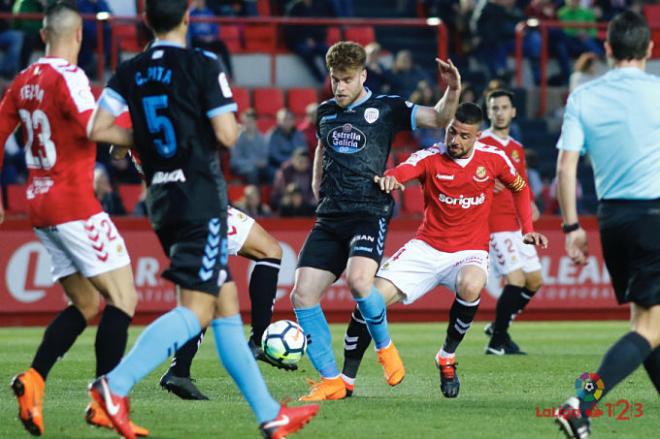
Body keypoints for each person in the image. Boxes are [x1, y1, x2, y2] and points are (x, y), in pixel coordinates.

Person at [85, 1, 319, 438]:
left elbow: (99, 129)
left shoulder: (130, 70)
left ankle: (271, 415)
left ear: (146, 21)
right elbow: (228, 133)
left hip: (162, 201)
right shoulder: (202, 64)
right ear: (188, 19)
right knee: (196, 311)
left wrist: (149, 143)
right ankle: (112, 387)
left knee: (224, 309)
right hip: (199, 197)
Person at [0, 3, 146, 437]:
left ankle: (34, 380)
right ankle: (106, 402)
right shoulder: (71, 77)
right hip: (74, 204)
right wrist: (145, 138)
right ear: (78, 37)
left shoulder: (23, 81)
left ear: (43, 34)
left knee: (86, 305)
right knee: (125, 299)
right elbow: (94, 127)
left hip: (40, 207)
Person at [339, 103, 548, 397]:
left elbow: (520, 186)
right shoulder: (431, 156)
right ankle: (345, 381)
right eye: (452, 132)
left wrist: (526, 229)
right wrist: (392, 177)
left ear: (477, 137)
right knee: (368, 298)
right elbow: (404, 169)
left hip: (469, 251)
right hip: (426, 248)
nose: (455, 141)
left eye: (464, 135)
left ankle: (446, 356)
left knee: (472, 283)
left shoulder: (493, 158)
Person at [292, 40, 462, 401]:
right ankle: (331, 380)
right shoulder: (324, 111)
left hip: (369, 212)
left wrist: (452, 89)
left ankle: (385, 349)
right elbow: (322, 147)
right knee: (302, 294)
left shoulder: (387, 107)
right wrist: (316, 186)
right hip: (330, 217)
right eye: (335, 79)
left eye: (346, 79)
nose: (339, 86)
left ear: (363, 76)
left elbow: (439, 118)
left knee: (358, 281)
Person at [554, 11, 660, 439]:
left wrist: (571, 227)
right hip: (655, 215)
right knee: (649, 328)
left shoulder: (584, 96)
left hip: (612, 218)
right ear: (650, 49)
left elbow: (566, 167)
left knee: (646, 323)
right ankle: (581, 402)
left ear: (608, 48)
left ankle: (582, 402)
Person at [159, 204, 289, 400]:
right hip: (198, 203)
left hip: (188, 202)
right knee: (268, 251)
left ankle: (179, 371)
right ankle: (258, 341)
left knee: (210, 293)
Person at [480, 89, 543, 355]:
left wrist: (531, 204)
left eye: (504, 107)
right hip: (495, 225)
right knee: (516, 280)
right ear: (488, 111)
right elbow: (464, 176)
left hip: (518, 224)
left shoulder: (517, 148)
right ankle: (497, 341)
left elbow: (522, 184)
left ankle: (499, 325)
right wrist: (483, 182)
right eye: (494, 108)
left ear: (513, 112)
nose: (499, 112)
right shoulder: (480, 143)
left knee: (534, 281)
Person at [230, 108, 269, 185]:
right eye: (245, 122)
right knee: (252, 171)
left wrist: (262, 162)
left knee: (273, 172)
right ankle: (255, 195)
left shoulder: (261, 137)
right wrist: (254, 163)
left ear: (255, 122)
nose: (248, 124)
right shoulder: (237, 138)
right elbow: (236, 160)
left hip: (258, 168)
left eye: (250, 122)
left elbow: (265, 158)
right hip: (241, 167)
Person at [267, 108, 308, 180]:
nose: (287, 121)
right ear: (278, 121)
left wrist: (296, 162)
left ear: (293, 121)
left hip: (298, 164)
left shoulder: (299, 134)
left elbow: (303, 150)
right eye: (284, 119)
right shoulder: (272, 134)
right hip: (277, 165)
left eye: (290, 119)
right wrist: (290, 162)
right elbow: (273, 154)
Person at [270, 147, 314, 211]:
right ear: (293, 160)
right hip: (286, 200)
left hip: (305, 203)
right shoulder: (286, 170)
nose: (303, 164)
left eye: (305, 162)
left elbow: (312, 190)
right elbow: (283, 189)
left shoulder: (310, 171)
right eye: (300, 161)